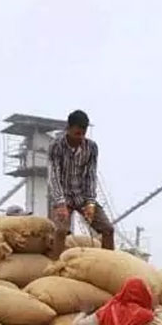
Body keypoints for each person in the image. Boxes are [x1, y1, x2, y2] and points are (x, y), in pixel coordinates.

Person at [47, 109, 114, 256]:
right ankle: (55, 265)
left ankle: (108, 261)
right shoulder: (56, 146)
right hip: (63, 197)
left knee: (108, 229)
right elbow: (54, 175)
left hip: (82, 196)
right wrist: (60, 203)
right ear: (68, 129)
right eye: (77, 133)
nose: (80, 138)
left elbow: (90, 174)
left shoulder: (91, 147)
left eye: (83, 134)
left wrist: (90, 202)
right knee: (61, 230)